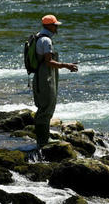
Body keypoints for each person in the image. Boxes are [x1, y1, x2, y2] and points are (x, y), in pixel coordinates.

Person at [33, 14, 78, 148]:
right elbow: (49, 62)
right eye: (55, 25)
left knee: (43, 106)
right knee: (47, 105)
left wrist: (65, 64)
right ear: (48, 26)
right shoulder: (46, 40)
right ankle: (43, 141)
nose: (57, 27)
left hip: (40, 74)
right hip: (45, 75)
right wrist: (66, 65)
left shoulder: (38, 36)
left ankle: (42, 139)